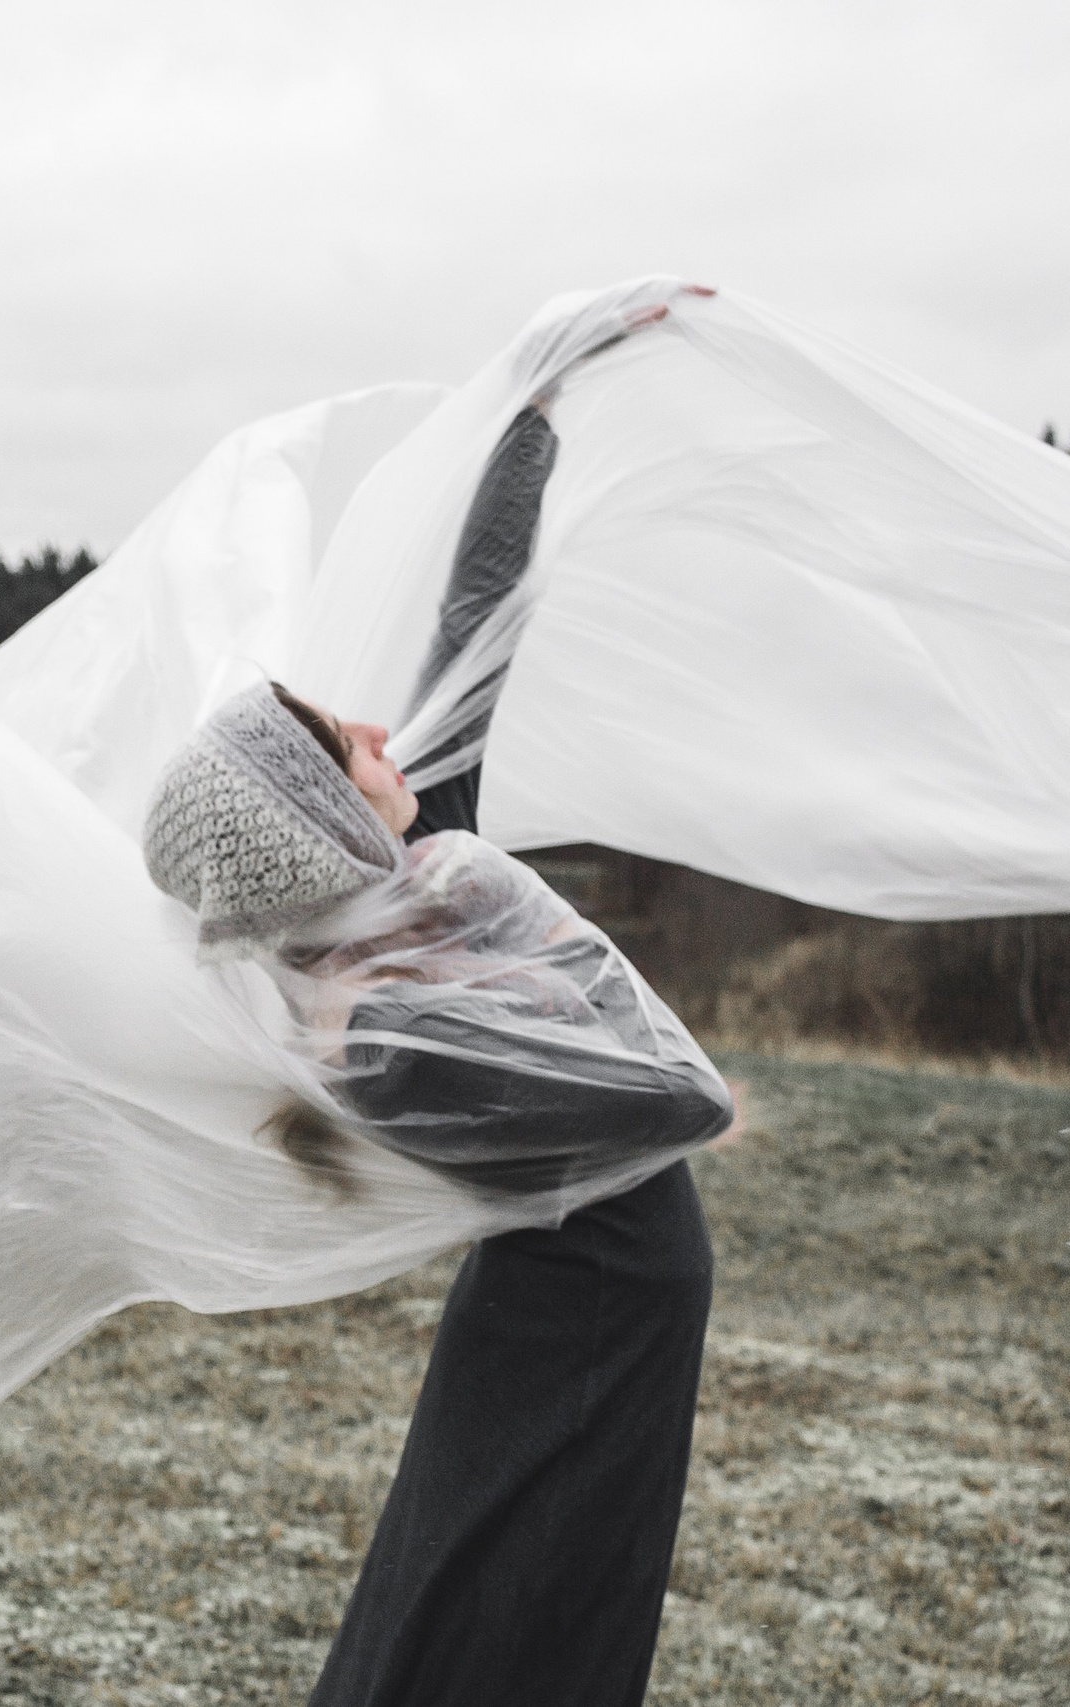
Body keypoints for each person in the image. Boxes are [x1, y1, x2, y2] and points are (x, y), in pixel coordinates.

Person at [138, 391, 728, 1705]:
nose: (379, 734)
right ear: (307, 818)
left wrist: (539, 405)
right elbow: (674, 1102)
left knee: (490, 1629)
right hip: (580, 1337)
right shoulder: (392, 1033)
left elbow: (478, 633)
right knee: (509, 1645)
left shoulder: (409, 889)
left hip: (588, 1320)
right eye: (340, 747)